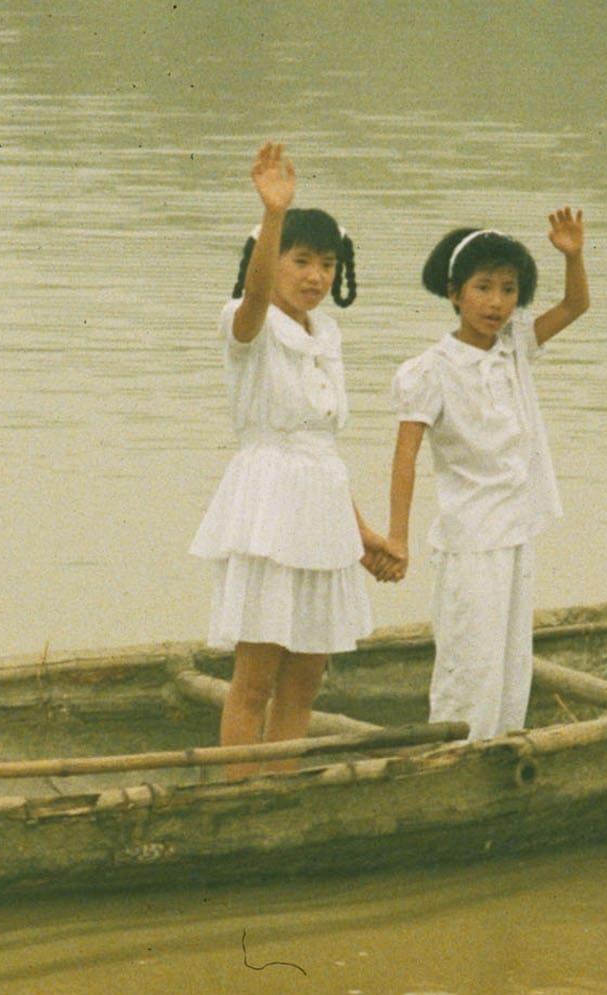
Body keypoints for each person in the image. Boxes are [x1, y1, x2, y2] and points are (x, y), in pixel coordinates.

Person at [188, 144, 398, 771]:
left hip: (320, 511)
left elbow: (319, 450)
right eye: (300, 261)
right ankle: (236, 794)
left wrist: (361, 535)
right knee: (255, 677)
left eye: (326, 265)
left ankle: (279, 789)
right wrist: (273, 214)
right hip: (268, 512)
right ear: (269, 260)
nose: (314, 276)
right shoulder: (244, 324)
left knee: (306, 677)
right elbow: (254, 304)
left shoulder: (325, 334)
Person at [383, 209, 589, 738]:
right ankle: (454, 756)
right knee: (469, 663)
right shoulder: (429, 370)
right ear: (454, 293)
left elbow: (575, 304)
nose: (496, 302)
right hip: (471, 540)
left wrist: (572, 255)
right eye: (482, 288)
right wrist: (397, 539)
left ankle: (500, 750)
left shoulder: (515, 346)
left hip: (516, 531)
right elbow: (404, 458)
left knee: (511, 662)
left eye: (508, 289)